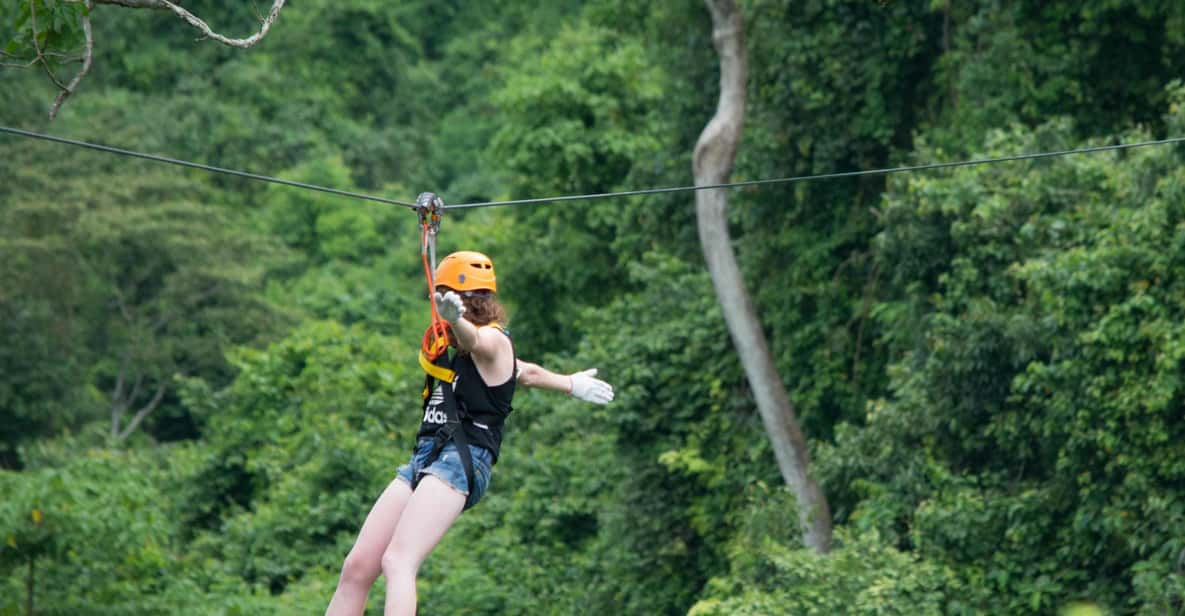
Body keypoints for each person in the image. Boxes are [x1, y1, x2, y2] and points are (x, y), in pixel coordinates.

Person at [325, 250, 614, 616]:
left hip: (462, 461)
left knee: (398, 560)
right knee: (357, 567)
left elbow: (481, 343)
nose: (436, 305)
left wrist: (457, 321)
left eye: (443, 297)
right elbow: (527, 373)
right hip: (426, 457)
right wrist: (571, 384)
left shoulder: (493, 342)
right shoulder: (456, 346)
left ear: (465, 302)